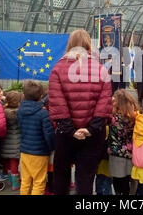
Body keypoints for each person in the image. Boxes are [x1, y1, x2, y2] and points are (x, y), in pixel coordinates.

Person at [49, 29, 112, 195]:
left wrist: (70, 129)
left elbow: (57, 102)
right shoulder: (101, 70)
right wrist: (91, 128)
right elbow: (104, 102)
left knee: (61, 175)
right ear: (88, 45)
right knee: (86, 178)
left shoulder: (57, 69)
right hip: (93, 135)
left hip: (65, 134)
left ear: (70, 44)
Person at [18, 80, 55, 195]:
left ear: (24, 95)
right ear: (40, 96)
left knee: (25, 181)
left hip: (24, 151)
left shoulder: (20, 111)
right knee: (39, 182)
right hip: (40, 153)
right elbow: (49, 135)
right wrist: (52, 147)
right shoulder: (43, 114)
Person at [108, 89, 137, 195]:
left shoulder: (112, 117)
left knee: (118, 183)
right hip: (130, 154)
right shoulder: (133, 117)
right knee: (127, 183)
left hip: (116, 154)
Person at [0, 91, 23, 191]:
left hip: (6, 141)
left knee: (8, 163)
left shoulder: (3, 111)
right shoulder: (20, 113)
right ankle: (15, 184)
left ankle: (10, 180)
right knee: (14, 163)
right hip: (16, 142)